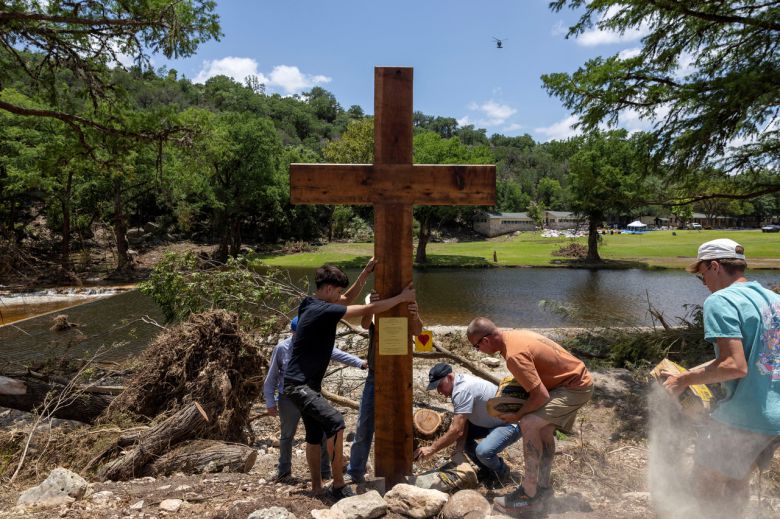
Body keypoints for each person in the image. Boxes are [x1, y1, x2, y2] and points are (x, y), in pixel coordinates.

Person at [662, 238, 780, 518]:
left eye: (702, 274)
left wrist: (683, 381)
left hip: (745, 416)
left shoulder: (721, 300)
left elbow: (734, 366)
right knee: (737, 478)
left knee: (705, 483)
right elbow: (753, 357)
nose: (703, 282)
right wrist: (688, 375)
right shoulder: (774, 300)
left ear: (714, 266)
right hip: (774, 417)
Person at [283, 259, 416, 499]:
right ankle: (337, 485)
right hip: (300, 386)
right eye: (339, 291)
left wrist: (364, 274)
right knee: (336, 423)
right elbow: (365, 311)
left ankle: (316, 487)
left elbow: (346, 301)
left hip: (303, 385)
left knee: (314, 436)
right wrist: (401, 298)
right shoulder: (322, 310)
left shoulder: (310, 303)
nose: (341, 295)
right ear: (328, 289)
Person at [466, 318, 593, 514]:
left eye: (476, 347)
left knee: (529, 423)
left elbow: (540, 395)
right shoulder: (515, 335)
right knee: (544, 431)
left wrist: (516, 415)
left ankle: (530, 493)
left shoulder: (514, 356)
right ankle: (543, 488)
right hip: (571, 381)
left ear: (485, 340)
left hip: (574, 387)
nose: (478, 351)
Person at [263, 315, 367, 483]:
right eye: (300, 333)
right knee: (287, 435)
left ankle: (325, 472)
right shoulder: (282, 348)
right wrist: (270, 402)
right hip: (288, 398)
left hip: (310, 395)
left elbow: (338, 354)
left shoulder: (316, 344)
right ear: (293, 332)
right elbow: (271, 378)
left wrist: (360, 363)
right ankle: (284, 471)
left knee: (323, 432)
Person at [345, 291, 423, 484]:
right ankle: (355, 471)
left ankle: (401, 469)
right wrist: (370, 308)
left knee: (400, 422)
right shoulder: (374, 311)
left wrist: (415, 315)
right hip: (375, 374)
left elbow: (419, 332)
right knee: (364, 424)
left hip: (400, 376)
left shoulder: (407, 306)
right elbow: (364, 324)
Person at [414, 363, 521, 488]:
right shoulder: (458, 384)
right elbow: (464, 423)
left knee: (483, 452)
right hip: (490, 422)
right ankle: (487, 470)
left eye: (440, 386)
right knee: (464, 441)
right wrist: (459, 449)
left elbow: (456, 430)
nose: (439, 391)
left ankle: (502, 473)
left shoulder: (462, 390)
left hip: (509, 423)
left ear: (449, 377)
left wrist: (431, 449)